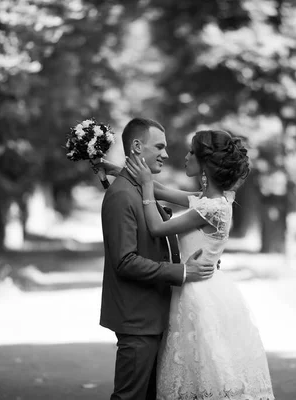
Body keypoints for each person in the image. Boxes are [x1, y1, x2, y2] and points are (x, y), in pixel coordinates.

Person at [124, 129, 274, 399]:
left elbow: (158, 227)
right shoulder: (207, 201)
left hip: (200, 294)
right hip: (197, 286)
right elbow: (160, 188)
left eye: (192, 152)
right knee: (198, 372)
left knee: (207, 374)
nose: (186, 156)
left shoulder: (211, 208)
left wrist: (146, 187)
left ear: (205, 164)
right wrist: (113, 167)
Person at [99, 117, 216, 400]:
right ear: (137, 146)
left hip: (156, 316)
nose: (165, 154)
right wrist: (183, 271)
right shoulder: (121, 196)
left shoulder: (139, 187)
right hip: (138, 319)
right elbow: (125, 261)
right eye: (159, 146)